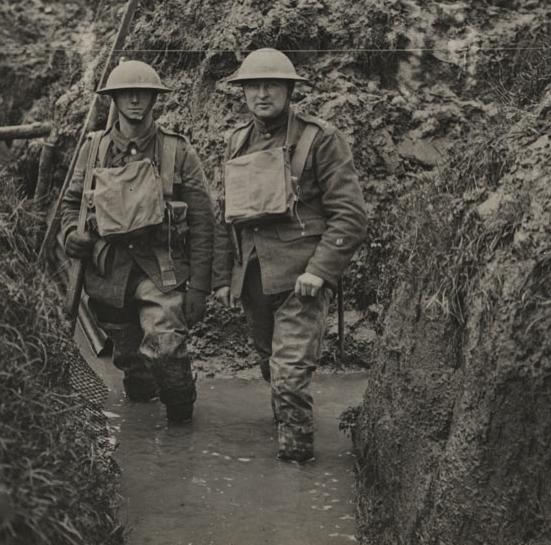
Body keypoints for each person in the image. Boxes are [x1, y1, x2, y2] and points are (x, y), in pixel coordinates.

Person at [212, 48, 367, 462]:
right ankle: (284, 423)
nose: (262, 94)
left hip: (302, 281)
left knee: (290, 375)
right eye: (253, 86)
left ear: (289, 90)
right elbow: (228, 216)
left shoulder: (320, 138)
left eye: (271, 85)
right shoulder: (236, 141)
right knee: (271, 365)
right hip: (255, 281)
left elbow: (350, 216)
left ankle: (297, 465)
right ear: (243, 92)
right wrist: (225, 277)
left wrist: (320, 271)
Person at [58, 60, 214, 423]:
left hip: (160, 270)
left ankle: (181, 418)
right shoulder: (93, 149)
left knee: (166, 348)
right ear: (113, 98)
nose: (134, 100)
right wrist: (71, 235)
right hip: (108, 274)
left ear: (154, 99)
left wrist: (200, 288)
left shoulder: (177, 151)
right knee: (133, 367)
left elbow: (204, 221)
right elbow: (70, 204)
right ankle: (142, 421)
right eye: (126, 93)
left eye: (142, 93)